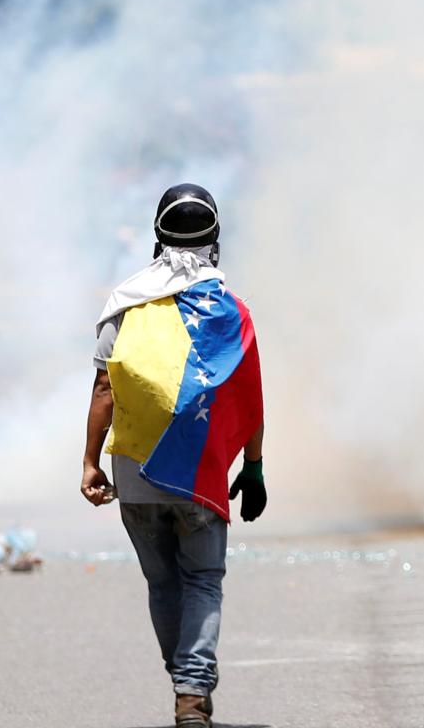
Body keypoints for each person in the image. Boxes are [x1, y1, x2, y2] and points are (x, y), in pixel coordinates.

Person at [82, 183, 266, 728]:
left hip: (135, 472)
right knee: (203, 580)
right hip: (200, 473)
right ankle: (192, 691)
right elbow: (249, 398)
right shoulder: (231, 311)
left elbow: (104, 390)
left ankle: (184, 682)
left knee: (163, 584)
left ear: (157, 236)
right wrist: (253, 467)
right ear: (215, 239)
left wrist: (90, 463)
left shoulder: (125, 304)